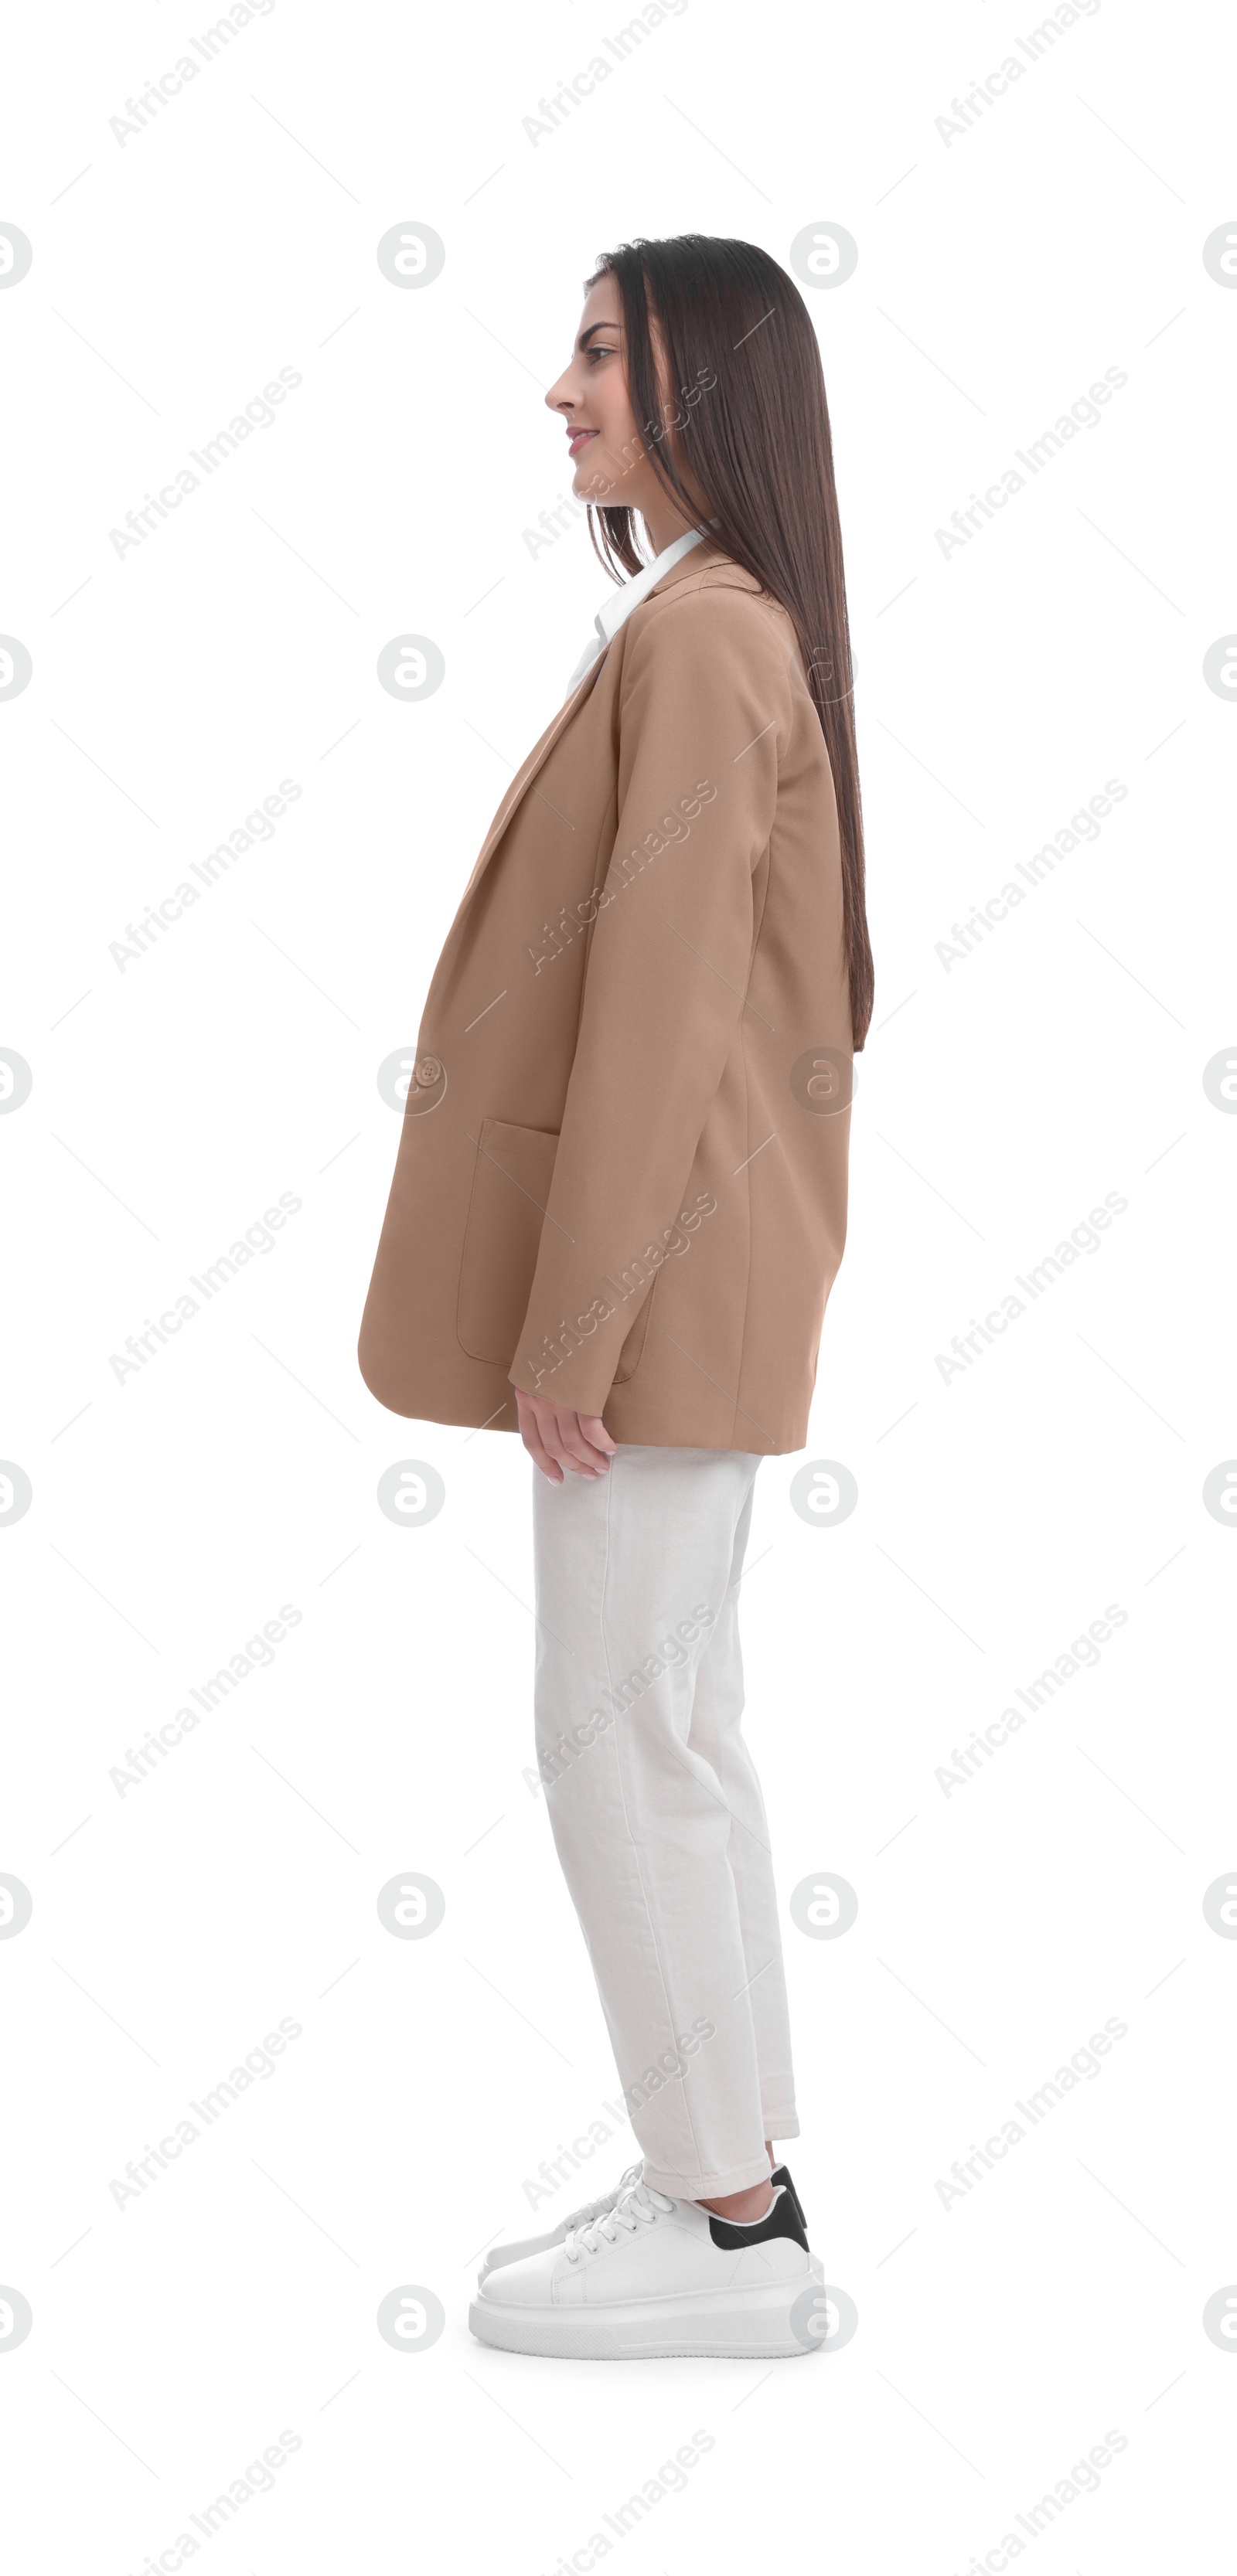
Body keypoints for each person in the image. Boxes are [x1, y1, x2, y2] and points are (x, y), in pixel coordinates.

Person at [358, 232, 871, 2358]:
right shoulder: (725, 630)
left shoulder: (702, 644)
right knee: (676, 1733)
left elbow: (659, 1016)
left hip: (653, 1301)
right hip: (698, 1278)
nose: (558, 392)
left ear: (702, 382)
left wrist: (572, 1330)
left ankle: (724, 2217)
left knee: (614, 1743)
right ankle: (738, 2199)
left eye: (597, 353)